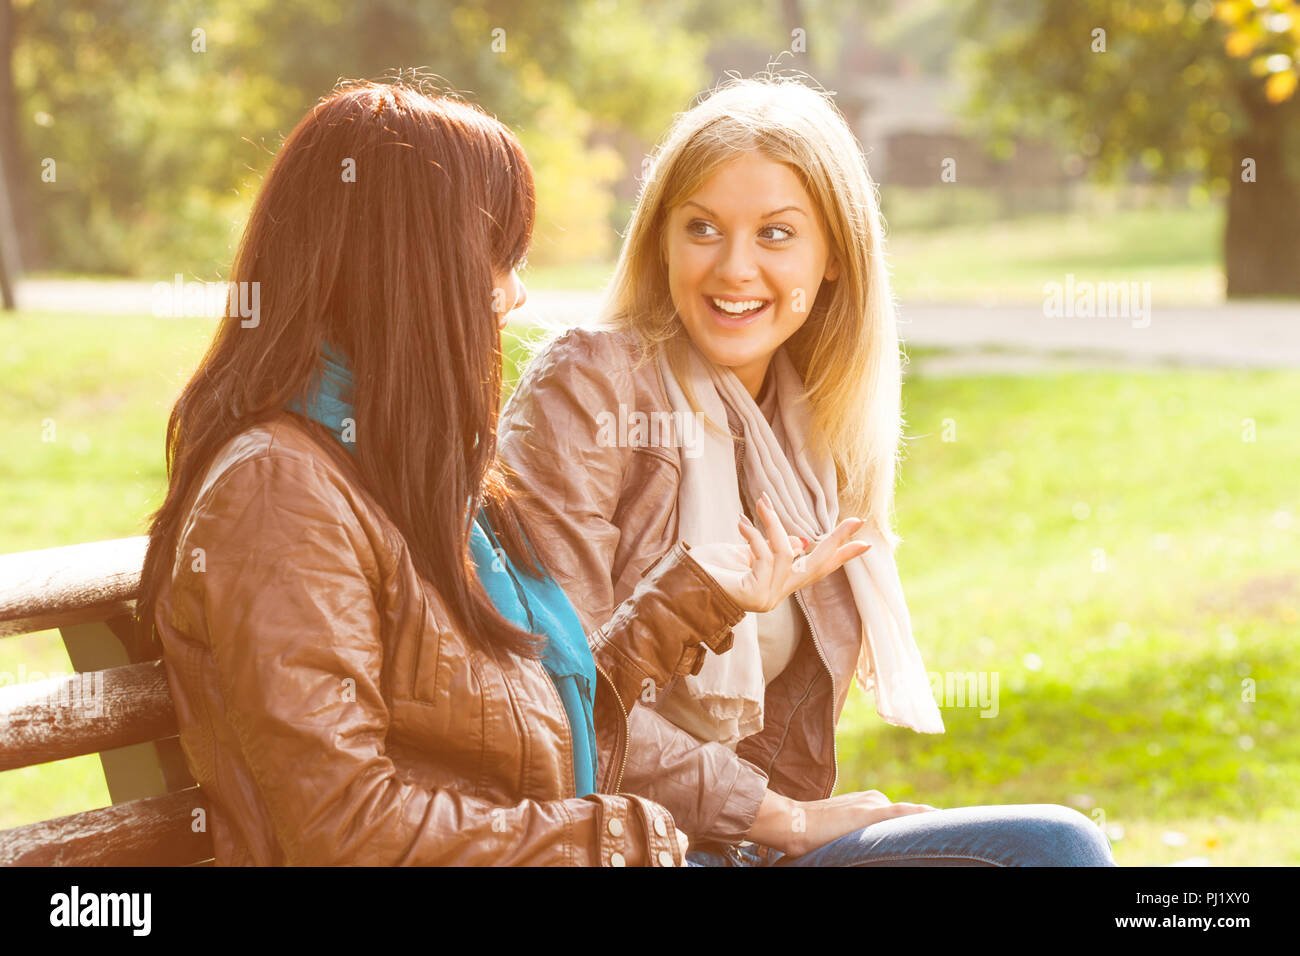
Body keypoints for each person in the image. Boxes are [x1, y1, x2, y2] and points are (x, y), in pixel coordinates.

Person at [134, 79, 867, 866]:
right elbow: (341, 830)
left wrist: (693, 600)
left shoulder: (393, 470)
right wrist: (625, 837)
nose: (516, 296)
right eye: (500, 258)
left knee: (1012, 843)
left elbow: (547, 725)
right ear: (414, 271)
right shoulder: (281, 494)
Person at [497, 75, 1117, 866]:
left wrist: (781, 823)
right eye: (703, 228)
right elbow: (556, 693)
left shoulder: (810, 431)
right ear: (662, 238)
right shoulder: (593, 383)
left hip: (751, 846)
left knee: (1051, 848)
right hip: (621, 845)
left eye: (776, 234)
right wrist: (779, 817)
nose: (734, 268)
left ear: (833, 257)